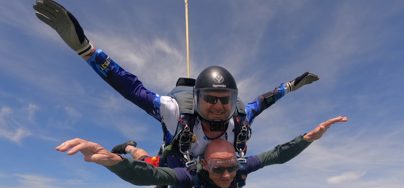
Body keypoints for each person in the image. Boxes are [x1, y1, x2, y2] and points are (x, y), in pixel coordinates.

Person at [33, 0, 320, 165]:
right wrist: (87, 51)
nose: (219, 106)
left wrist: (293, 85)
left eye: (226, 99)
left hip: (210, 171)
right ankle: (130, 146)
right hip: (174, 165)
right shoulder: (175, 111)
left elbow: (266, 100)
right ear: (196, 99)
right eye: (211, 98)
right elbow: (131, 88)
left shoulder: (240, 118)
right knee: (147, 168)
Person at [56, 116, 348, 188]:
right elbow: (142, 176)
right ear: (203, 165)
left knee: (153, 163)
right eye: (218, 169)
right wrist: (114, 162)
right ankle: (130, 147)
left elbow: (277, 155)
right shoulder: (187, 176)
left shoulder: (240, 168)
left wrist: (309, 137)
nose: (226, 175)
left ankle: (137, 150)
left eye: (231, 167)